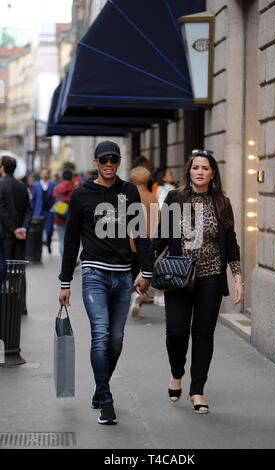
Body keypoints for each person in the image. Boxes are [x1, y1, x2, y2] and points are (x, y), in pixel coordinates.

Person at [58, 141, 154, 425]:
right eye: (104, 160)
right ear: (96, 162)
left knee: (116, 338)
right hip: (94, 274)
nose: (109, 164)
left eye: (113, 159)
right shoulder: (80, 195)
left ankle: (100, 387)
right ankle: (107, 399)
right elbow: (71, 240)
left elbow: (141, 233)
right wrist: (65, 281)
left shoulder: (129, 191)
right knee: (100, 334)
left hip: (123, 275)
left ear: (119, 161)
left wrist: (146, 271)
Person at [152, 149, 244, 414]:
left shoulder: (222, 203)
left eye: (205, 168)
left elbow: (231, 243)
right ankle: (177, 373)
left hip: (211, 277)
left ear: (212, 173)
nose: (200, 172)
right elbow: (161, 238)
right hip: (180, 276)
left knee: (203, 334)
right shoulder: (174, 198)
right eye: (195, 168)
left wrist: (238, 278)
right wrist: (145, 271)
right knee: (176, 332)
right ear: (189, 171)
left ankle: (197, 390)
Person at [128, 166, 159, 317]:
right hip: (146, 243)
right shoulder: (152, 198)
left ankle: (134, 294)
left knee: (130, 270)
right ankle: (139, 293)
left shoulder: (127, 196)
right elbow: (156, 223)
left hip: (128, 240)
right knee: (143, 271)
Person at [152, 166, 177, 306]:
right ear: (164, 177)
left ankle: (159, 292)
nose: (173, 174)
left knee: (163, 259)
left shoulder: (164, 188)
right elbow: (162, 210)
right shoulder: (165, 189)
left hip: (164, 229)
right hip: (166, 230)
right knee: (164, 259)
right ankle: (160, 292)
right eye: (170, 173)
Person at [0, 155, 32, 261]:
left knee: (4, 268)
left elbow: (2, 210)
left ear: (3, 167)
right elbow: (28, 210)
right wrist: (23, 228)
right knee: (17, 267)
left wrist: (14, 229)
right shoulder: (22, 186)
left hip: (4, 233)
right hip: (20, 234)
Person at [30, 168, 56, 254]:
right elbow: (33, 199)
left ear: (49, 174)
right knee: (38, 231)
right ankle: (39, 248)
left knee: (49, 230)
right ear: (40, 174)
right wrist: (32, 211)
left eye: (46, 173)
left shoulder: (53, 184)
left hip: (49, 211)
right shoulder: (36, 185)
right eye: (43, 173)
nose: (44, 175)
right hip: (38, 211)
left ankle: (48, 243)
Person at [52, 169, 76, 256]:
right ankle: (71, 258)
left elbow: (54, 199)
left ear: (62, 177)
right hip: (73, 216)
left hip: (59, 216)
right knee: (72, 240)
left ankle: (65, 258)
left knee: (62, 238)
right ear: (71, 177)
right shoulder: (75, 188)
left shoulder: (56, 188)